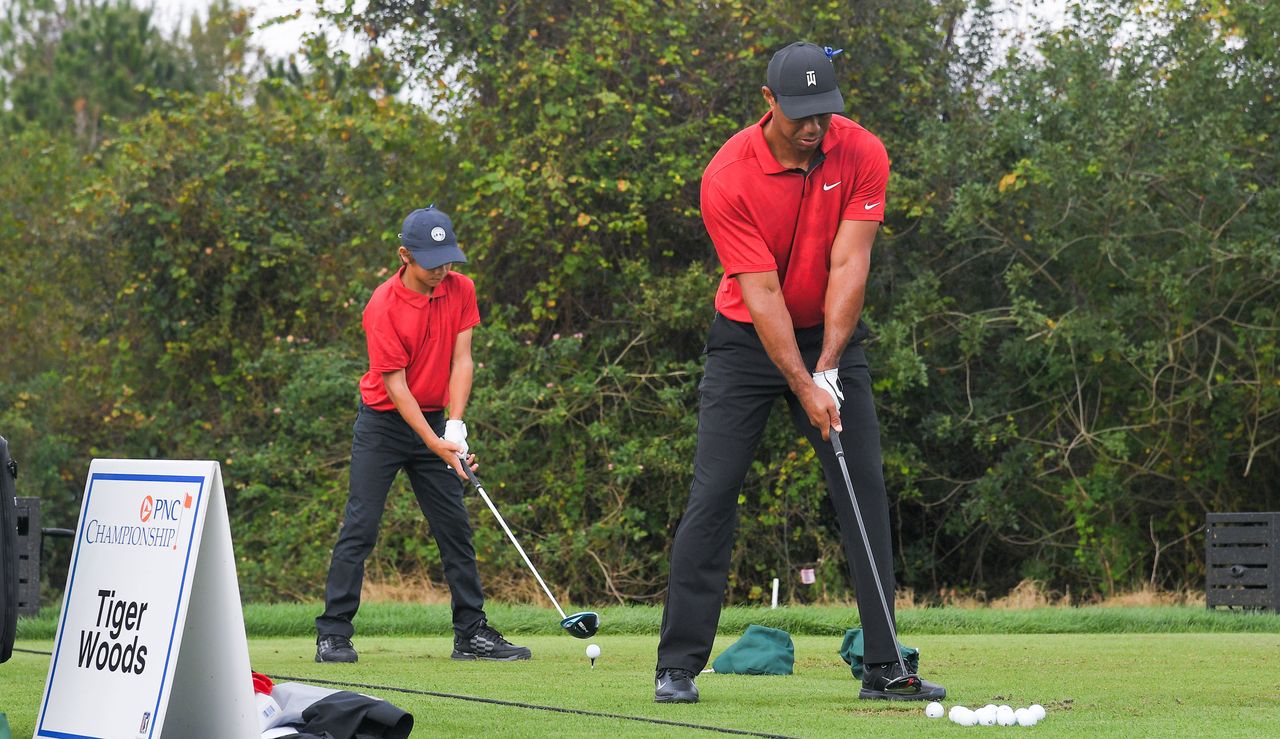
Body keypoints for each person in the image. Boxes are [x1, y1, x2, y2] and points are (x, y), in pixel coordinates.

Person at [653, 42, 945, 703]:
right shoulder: (727, 175)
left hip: (831, 336)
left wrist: (831, 365)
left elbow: (850, 266)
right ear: (769, 103)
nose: (814, 128)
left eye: (825, 112)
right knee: (714, 494)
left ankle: (884, 667)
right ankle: (676, 665)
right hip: (747, 342)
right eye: (800, 115)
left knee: (862, 489)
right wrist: (803, 381)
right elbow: (761, 295)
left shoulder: (862, 152)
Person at [315, 206, 530, 663]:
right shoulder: (383, 305)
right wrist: (435, 444)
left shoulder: (460, 289)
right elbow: (395, 387)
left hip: (435, 418)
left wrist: (454, 426)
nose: (443, 270)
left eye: (449, 259)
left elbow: (462, 361)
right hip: (383, 423)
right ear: (404, 255)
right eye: (433, 262)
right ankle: (333, 633)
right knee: (361, 523)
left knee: (454, 525)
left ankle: (470, 633)